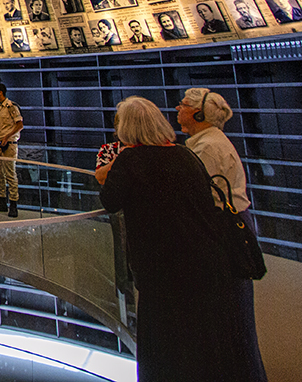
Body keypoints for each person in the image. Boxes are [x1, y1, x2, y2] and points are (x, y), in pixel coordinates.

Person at [97, 96, 253, 382]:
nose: (178, 108)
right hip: (201, 261)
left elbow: (110, 200)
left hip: (162, 268)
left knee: (164, 346)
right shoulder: (185, 154)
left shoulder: (132, 159)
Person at [175, 88, 268, 381]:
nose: (178, 108)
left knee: (225, 316)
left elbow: (195, 195)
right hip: (227, 227)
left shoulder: (207, 149)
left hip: (221, 232)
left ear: (199, 114)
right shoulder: (208, 142)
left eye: (184, 105)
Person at [0, 83, 22, 215]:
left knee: (10, 174)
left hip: (10, 144)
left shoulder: (11, 106)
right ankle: (1, 200)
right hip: (0, 143)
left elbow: (19, 124)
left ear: (0, 92)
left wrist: (7, 137)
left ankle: (13, 203)